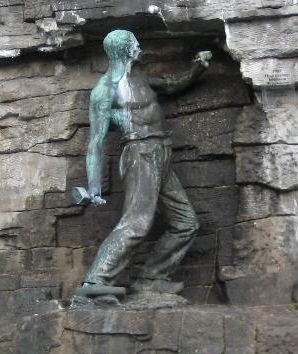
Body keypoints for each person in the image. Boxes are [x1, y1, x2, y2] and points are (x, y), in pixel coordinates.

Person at [74, 29, 211, 301]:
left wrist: (196, 68)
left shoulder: (139, 77)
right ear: (126, 49)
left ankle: (152, 279)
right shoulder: (105, 91)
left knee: (186, 222)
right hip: (139, 153)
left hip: (162, 152)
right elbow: (96, 143)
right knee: (136, 223)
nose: (140, 47)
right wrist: (94, 187)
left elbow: (171, 84)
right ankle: (94, 283)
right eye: (136, 43)